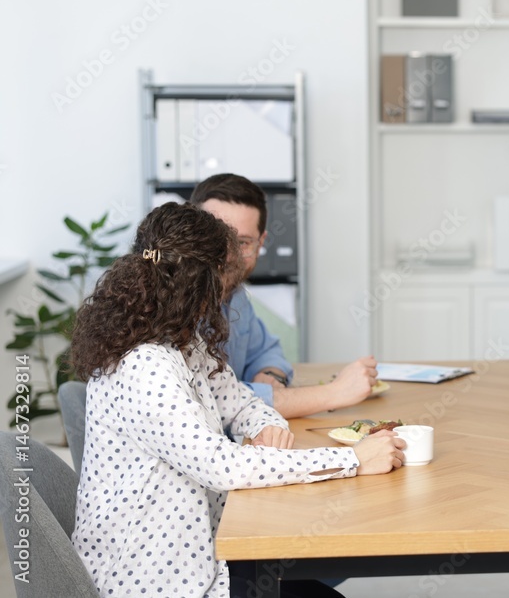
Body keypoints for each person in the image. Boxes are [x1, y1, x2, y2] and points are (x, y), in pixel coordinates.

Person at [69, 202, 405, 597]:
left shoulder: (184, 340)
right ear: (204, 283)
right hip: (161, 581)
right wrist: (352, 459)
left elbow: (241, 401)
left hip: (206, 556)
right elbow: (221, 466)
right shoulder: (144, 365)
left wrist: (267, 425)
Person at [189, 173, 377, 418]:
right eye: (216, 239)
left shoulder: (234, 294)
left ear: (261, 243)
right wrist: (336, 392)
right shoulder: (173, 306)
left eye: (243, 242)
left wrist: (269, 374)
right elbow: (212, 404)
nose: (228, 255)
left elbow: (266, 350)